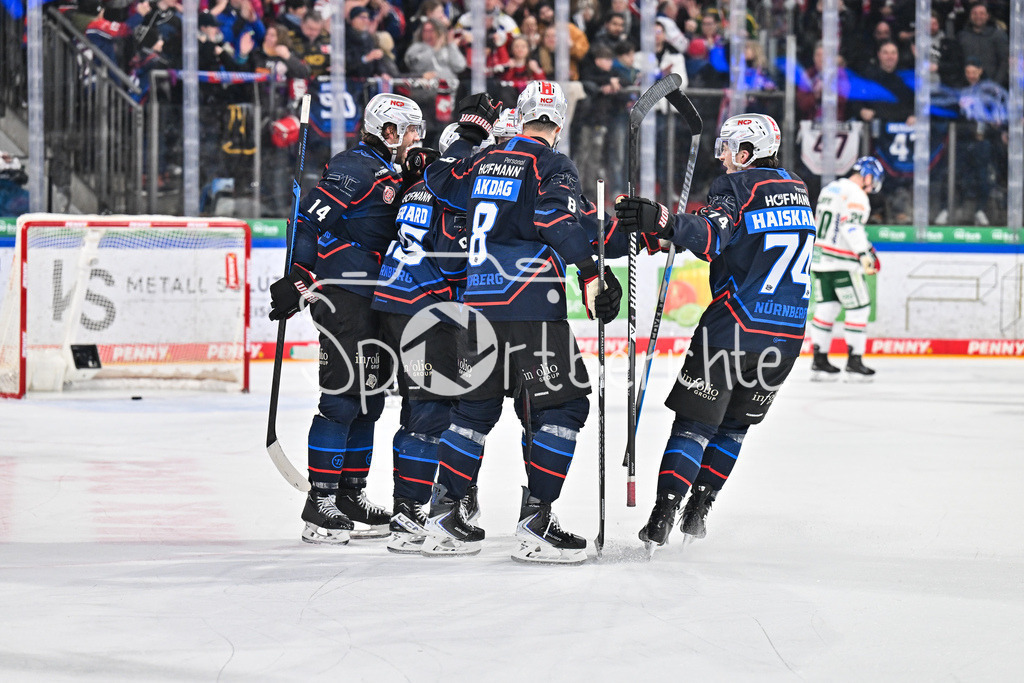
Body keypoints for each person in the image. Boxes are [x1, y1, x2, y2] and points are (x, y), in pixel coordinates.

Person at [421, 82, 622, 564]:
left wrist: (468, 133)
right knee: (565, 408)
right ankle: (536, 521)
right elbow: (556, 221)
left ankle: (443, 515)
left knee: (472, 413)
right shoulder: (552, 164)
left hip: (478, 302)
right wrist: (592, 269)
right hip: (529, 303)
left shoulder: (485, 159)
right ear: (559, 122)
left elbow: (439, 179)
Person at [615, 114, 813, 553]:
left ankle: (662, 517)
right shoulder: (798, 188)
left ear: (746, 153)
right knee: (734, 428)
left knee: (694, 426)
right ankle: (700, 509)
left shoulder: (737, 186)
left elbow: (712, 234)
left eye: (727, 148)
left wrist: (664, 220)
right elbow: (744, 243)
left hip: (735, 327)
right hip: (786, 334)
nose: (722, 157)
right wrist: (666, 232)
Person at [268, 93, 427, 545]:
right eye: (410, 130)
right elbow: (308, 219)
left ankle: (349, 492)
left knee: (370, 398)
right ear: (389, 132)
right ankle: (319, 504)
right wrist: (298, 273)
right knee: (341, 398)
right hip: (343, 297)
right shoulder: (355, 166)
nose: (416, 137)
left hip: (377, 298)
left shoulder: (392, 170)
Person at [809, 156, 884, 380]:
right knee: (859, 307)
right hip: (843, 262)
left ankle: (819, 360)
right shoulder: (857, 195)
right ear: (867, 176)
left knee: (827, 308)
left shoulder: (830, 188)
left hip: (820, 259)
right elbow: (850, 226)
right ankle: (854, 361)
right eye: (873, 181)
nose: (871, 188)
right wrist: (865, 253)